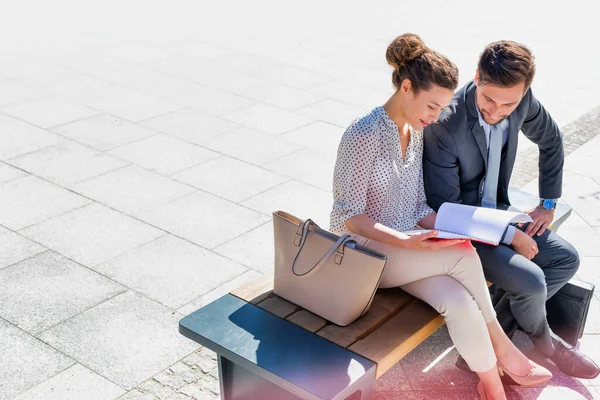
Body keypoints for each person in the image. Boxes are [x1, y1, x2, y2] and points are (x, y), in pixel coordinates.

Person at [330, 33, 552, 400]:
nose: (435, 118)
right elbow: (347, 215)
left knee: (459, 299)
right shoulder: (363, 133)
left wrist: (464, 227)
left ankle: (492, 388)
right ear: (406, 87)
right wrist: (405, 240)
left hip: (403, 253)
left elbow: (419, 208)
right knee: (462, 253)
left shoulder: (415, 133)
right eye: (432, 107)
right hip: (364, 253)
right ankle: (503, 348)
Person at [422, 40, 600, 380]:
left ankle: (495, 344)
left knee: (566, 259)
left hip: (501, 210)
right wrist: (509, 234)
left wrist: (547, 204)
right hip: (459, 230)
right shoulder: (446, 123)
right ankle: (549, 346)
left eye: (509, 103)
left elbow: (552, 140)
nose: (496, 110)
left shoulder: (523, 101)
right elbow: (445, 209)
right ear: (477, 76)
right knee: (531, 282)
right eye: (488, 98)